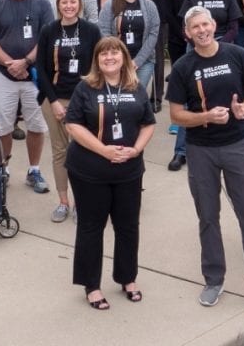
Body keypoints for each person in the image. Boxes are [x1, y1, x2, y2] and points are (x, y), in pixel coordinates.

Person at [166, 7, 244, 316]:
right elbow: (176, 115)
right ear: (187, 33)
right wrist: (205, 117)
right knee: (208, 217)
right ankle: (214, 279)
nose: (201, 30)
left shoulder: (237, 54)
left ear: (214, 26)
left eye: (205, 24)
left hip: (237, 145)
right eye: (194, 27)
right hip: (201, 150)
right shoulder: (184, 66)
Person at [64, 36, 155, 310]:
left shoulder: (136, 87)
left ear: (124, 58)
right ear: (97, 60)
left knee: (128, 226)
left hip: (128, 170)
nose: (110, 58)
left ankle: (128, 278)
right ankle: (91, 285)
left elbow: (148, 123)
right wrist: (104, 150)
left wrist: (137, 149)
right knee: (91, 227)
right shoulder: (85, 88)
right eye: (104, 54)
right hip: (89, 171)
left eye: (115, 53)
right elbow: (73, 125)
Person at [0, 0, 53, 193]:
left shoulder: (42, 5)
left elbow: (47, 40)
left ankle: (34, 170)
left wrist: (26, 62)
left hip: (33, 76)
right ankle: (3, 169)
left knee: (36, 125)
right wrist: (9, 64)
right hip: (4, 76)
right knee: (2, 127)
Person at [36, 0, 102, 224]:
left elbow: (99, 64)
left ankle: (81, 202)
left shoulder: (91, 31)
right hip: (56, 99)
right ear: (58, 5)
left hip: (84, 100)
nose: (69, 6)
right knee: (60, 151)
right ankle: (63, 202)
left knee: (83, 152)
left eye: (73, 2)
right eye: (64, 2)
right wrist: (52, 101)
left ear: (80, 4)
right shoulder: (49, 31)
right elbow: (41, 69)